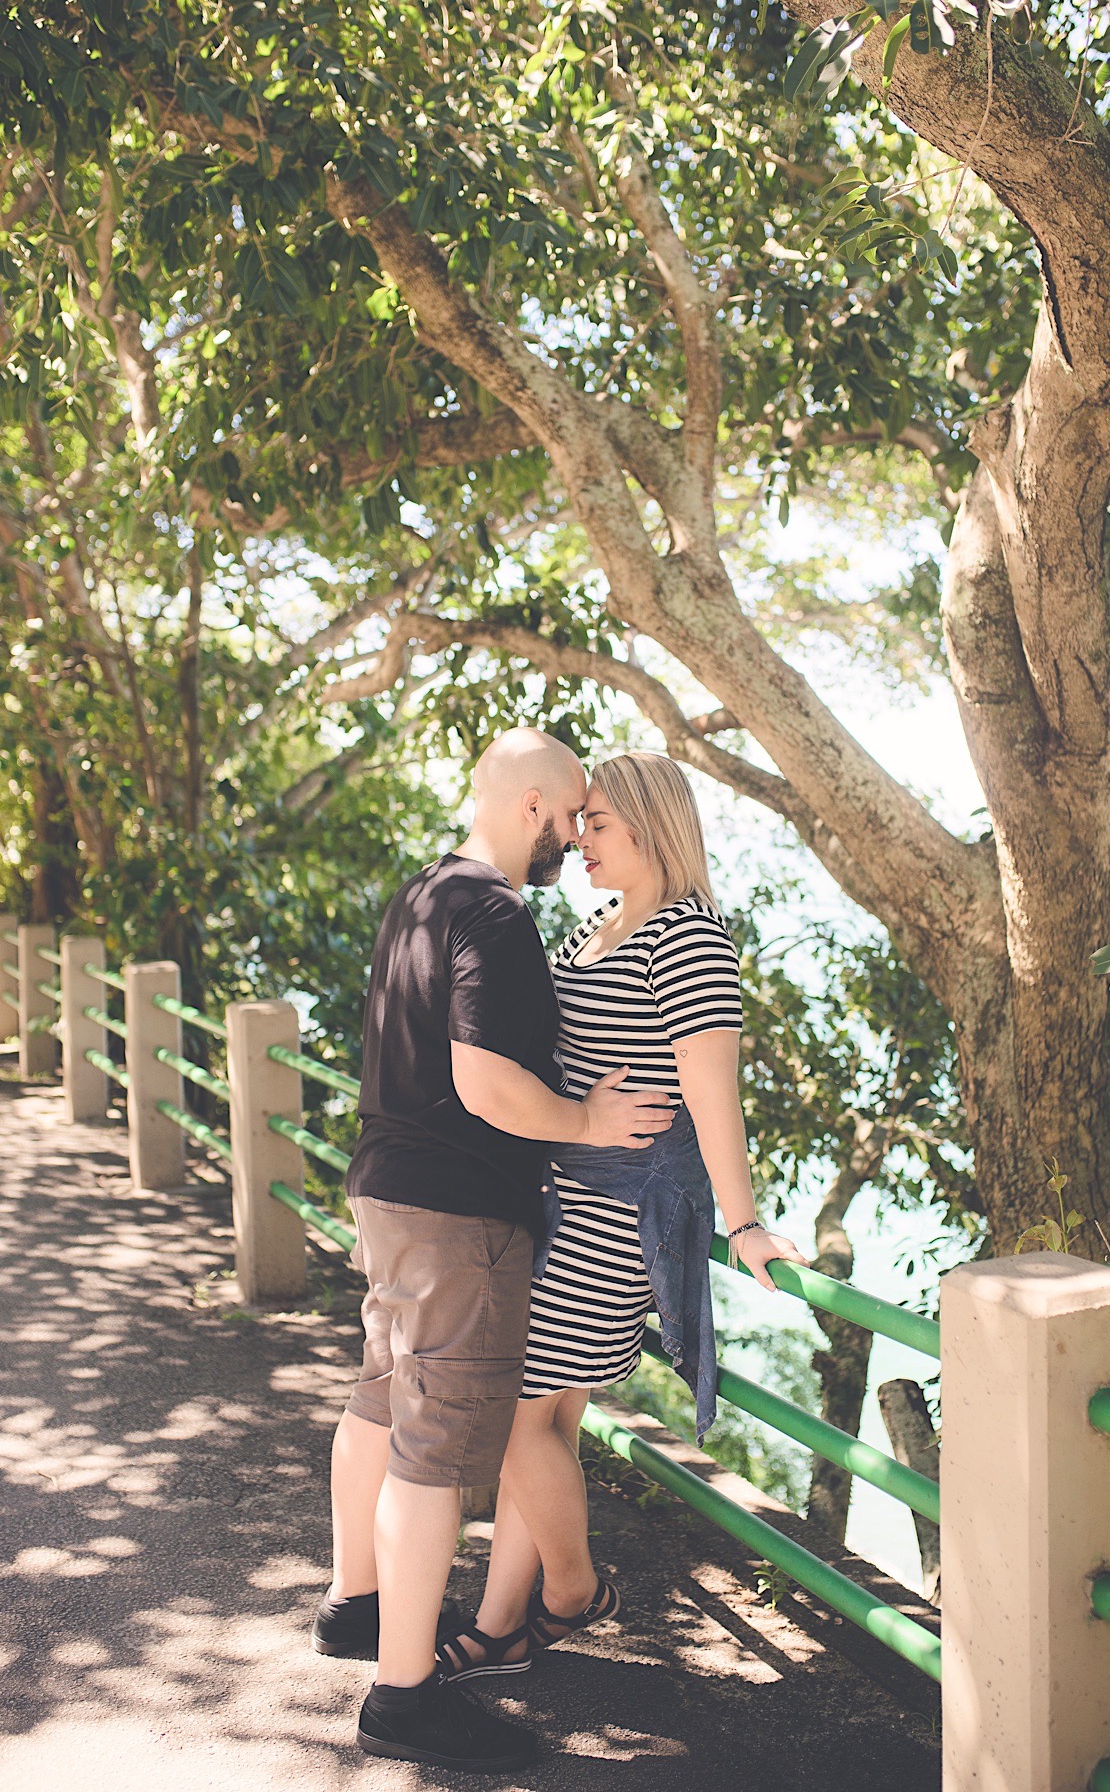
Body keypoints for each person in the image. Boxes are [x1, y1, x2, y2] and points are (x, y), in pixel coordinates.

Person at [312, 728, 675, 1774]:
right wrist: (588, 1122)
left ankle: (357, 1603)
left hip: (385, 1189)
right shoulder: (499, 915)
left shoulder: (422, 893)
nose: (574, 839)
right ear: (531, 809)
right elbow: (484, 1082)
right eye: (569, 818)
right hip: (458, 1210)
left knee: (381, 1396)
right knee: (439, 1445)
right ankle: (405, 1695)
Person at [436, 751, 807, 1684]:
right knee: (543, 1425)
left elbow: (710, 1092)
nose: (577, 837)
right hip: (554, 1200)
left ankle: (572, 1591)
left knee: (512, 1415)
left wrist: (746, 1219)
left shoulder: (686, 937)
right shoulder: (600, 925)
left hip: (613, 1216)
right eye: (579, 821)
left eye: (596, 821)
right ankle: (499, 1626)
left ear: (651, 826)